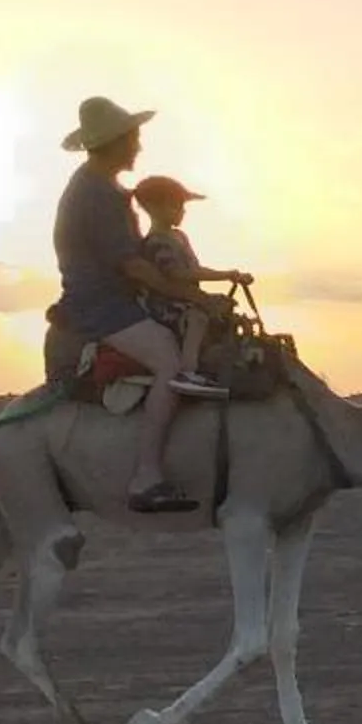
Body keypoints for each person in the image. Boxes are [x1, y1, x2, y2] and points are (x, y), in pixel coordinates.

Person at [50, 96, 225, 513]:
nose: (138, 147)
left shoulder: (103, 188)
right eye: (134, 139)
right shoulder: (98, 195)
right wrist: (192, 295)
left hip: (115, 298)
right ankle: (146, 476)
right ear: (114, 143)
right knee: (169, 361)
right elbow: (135, 268)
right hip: (101, 306)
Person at [129, 175, 254, 380]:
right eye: (175, 206)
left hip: (188, 297)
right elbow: (177, 274)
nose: (182, 211)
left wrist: (231, 276)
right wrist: (226, 275)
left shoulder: (180, 236)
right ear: (153, 208)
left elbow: (196, 269)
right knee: (197, 318)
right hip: (165, 304)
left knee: (225, 309)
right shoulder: (155, 242)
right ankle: (187, 371)